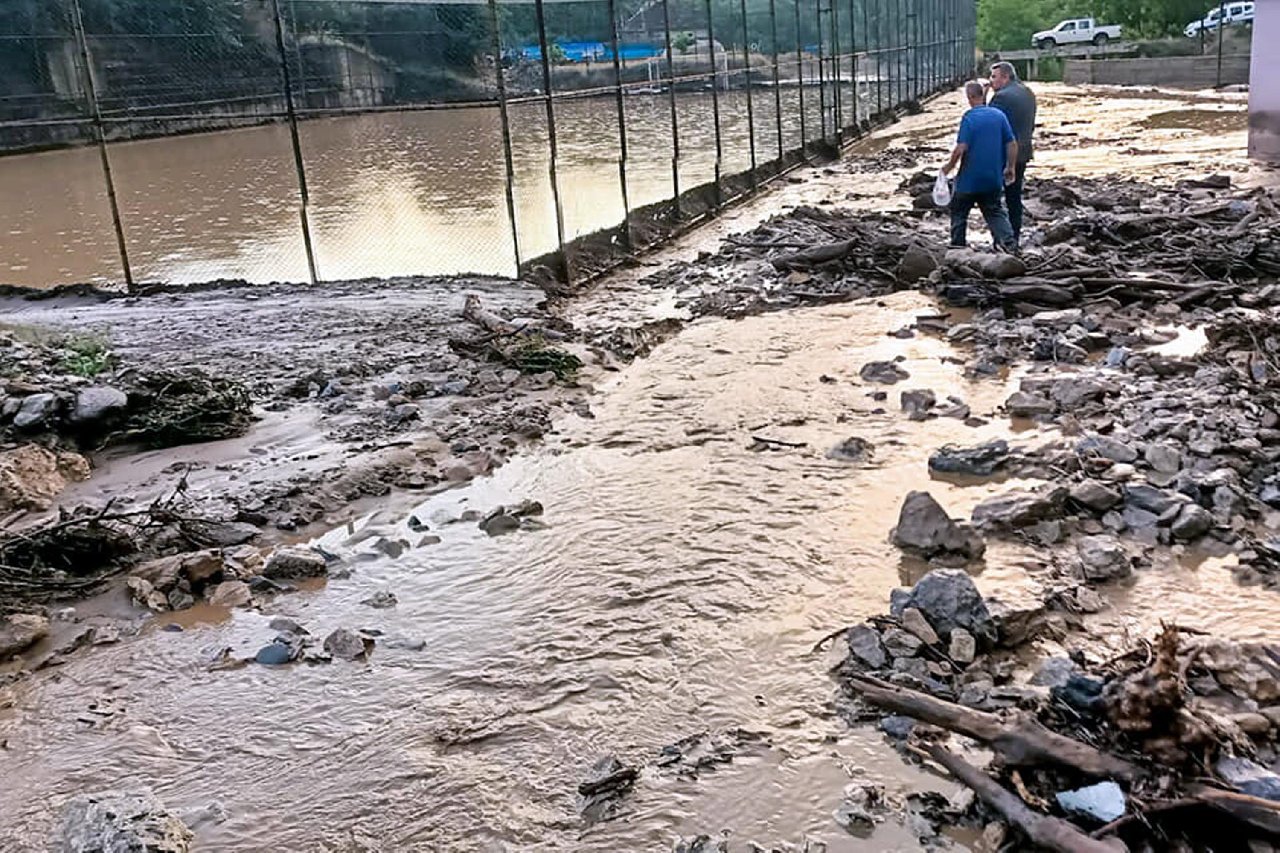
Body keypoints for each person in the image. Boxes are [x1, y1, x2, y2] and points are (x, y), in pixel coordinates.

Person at [941, 81, 1018, 252]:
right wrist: (1010, 167)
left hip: (969, 180)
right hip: (992, 178)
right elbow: (1012, 143)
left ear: (969, 97)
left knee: (959, 212)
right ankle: (1009, 245)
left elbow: (961, 148)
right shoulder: (999, 115)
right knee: (995, 212)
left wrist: (949, 167)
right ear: (982, 96)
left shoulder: (969, 118)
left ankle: (957, 248)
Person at [987, 61, 1037, 242]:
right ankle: (1014, 236)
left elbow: (988, 122)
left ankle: (1002, 239)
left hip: (1004, 154)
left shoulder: (1001, 97)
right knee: (1014, 197)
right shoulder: (1027, 92)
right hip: (1023, 151)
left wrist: (985, 98)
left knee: (993, 199)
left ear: (1006, 77)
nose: (991, 81)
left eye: (994, 77)